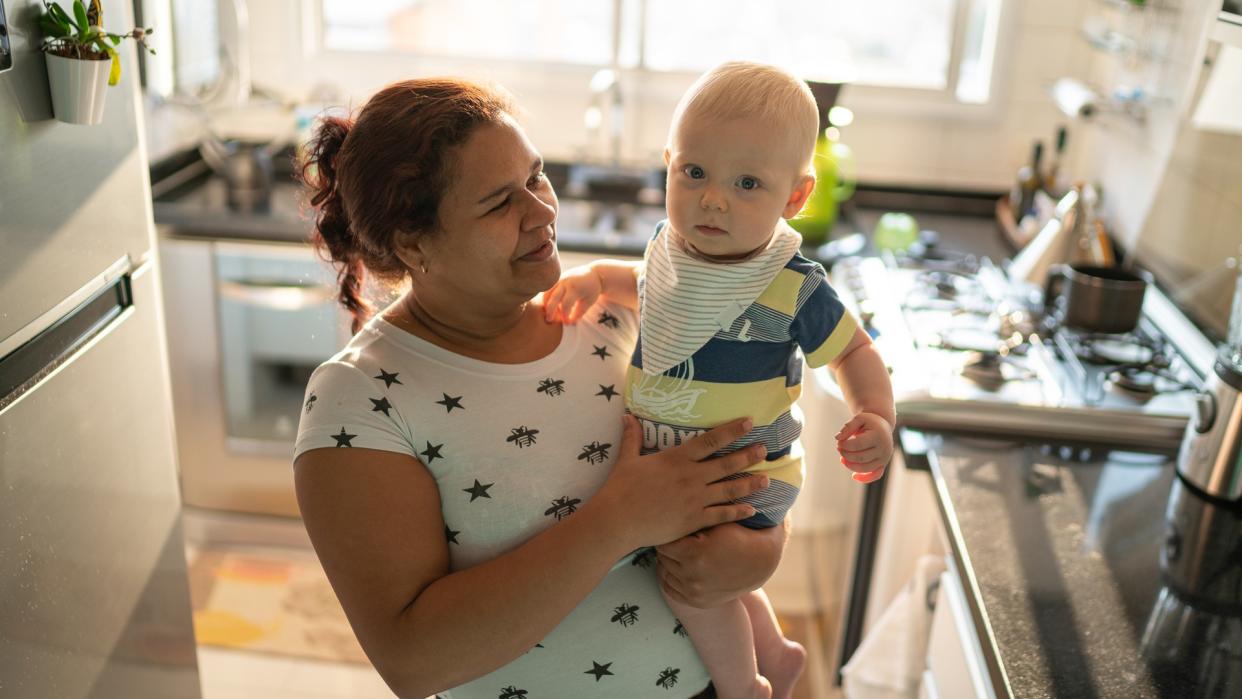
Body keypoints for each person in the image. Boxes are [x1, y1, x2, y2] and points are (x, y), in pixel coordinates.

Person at [291, 77, 795, 699]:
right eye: (500, 202)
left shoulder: (620, 315)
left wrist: (762, 549)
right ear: (413, 244)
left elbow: (736, 472)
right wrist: (618, 520)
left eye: (536, 177)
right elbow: (412, 661)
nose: (543, 211)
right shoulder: (361, 398)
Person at [543, 62, 895, 699]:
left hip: (744, 472)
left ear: (794, 198)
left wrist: (875, 413)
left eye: (747, 183)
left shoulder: (791, 285)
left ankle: (745, 686)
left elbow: (854, 352)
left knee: (689, 583)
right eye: (694, 172)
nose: (712, 198)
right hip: (683, 468)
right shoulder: (671, 250)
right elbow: (650, 288)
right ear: (669, 163)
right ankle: (778, 654)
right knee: (705, 574)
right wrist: (600, 277)